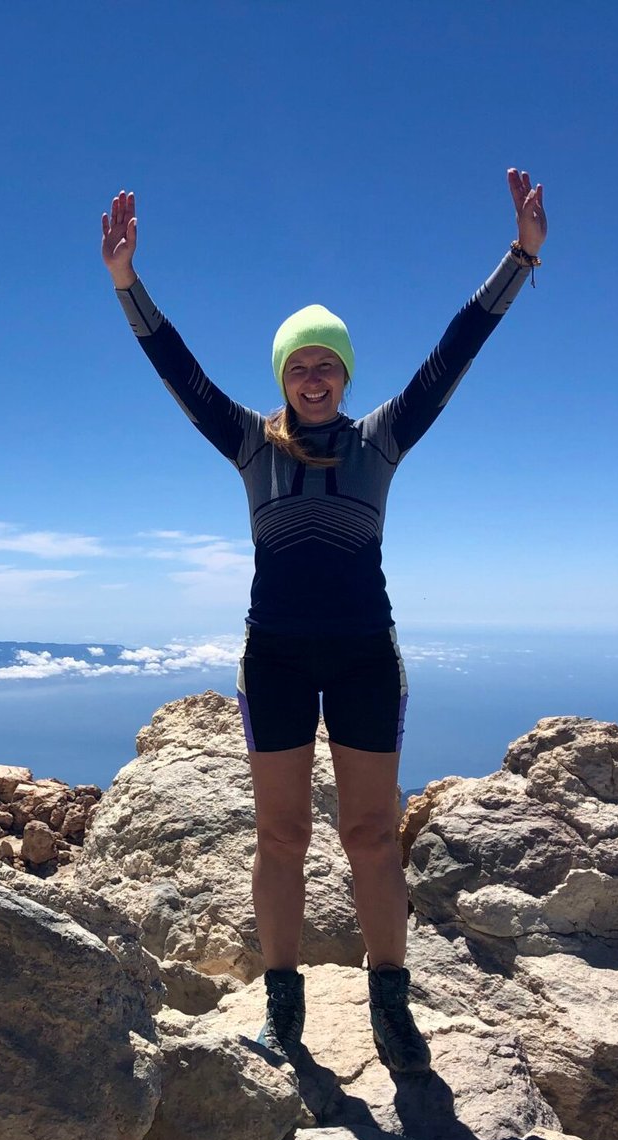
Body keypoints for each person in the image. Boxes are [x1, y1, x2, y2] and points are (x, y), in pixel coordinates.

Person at [100, 169, 547, 1074]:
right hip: (274, 660)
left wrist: (520, 258)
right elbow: (177, 369)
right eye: (299, 364)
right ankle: (284, 1009)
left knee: (373, 835)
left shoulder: (379, 439)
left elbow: (452, 355)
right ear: (282, 377)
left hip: (361, 660)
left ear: (346, 374)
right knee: (281, 836)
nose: (313, 376)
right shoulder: (246, 443)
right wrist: (126, 285)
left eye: (327, 363)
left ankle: (390, 1002)